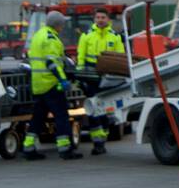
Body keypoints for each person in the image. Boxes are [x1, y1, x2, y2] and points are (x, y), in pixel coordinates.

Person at [23, 11, 82, 160]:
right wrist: (63, 80)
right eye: (62, 24)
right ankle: (65, 149)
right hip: (51, 84)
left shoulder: (38, 35)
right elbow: (52, 64)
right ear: (58, 25)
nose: (63, 27)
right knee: (61, 116)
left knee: (38, 117)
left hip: (38, 84)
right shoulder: (51, 39)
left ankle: (28, 147)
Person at [75, 10, 124, 155]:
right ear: (94, 19)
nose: (100, 20)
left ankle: (102, 140)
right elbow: (81, 57)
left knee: (105, 108)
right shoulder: (86, 35)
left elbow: (120, 57)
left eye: (103, 17)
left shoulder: (115, 37)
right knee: (93, 109)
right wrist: (80, 76)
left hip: (107, 77)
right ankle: (98, 142)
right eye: (98, 17)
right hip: (90, 76)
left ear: (108, 19)